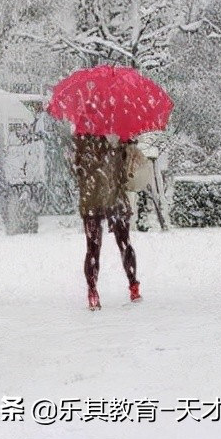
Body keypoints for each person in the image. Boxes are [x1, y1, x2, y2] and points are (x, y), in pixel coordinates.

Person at [71, 133, 142, 311]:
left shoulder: (82, 139)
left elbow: (76, 170)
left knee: (93, 248)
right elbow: (125, 174)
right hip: (113, 196)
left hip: (92, 197)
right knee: (124, 243)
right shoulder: (118, 136)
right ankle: (133, 285)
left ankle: (93, 291)